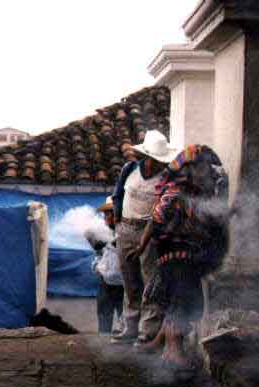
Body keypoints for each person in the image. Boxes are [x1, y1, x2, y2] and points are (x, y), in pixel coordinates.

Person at [127, 145, 229, 367]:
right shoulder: (174, 193)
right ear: (188, 170)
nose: (207, 172)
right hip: (175, 258)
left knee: (177, 300)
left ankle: (159, 341)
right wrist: (141, 247)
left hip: (188, 257)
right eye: (201, 167)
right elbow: (155, 222)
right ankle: (173, 352)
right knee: (181, 303)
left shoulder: (199, 192)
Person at [111, 130, 179, 345]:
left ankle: (147, 329)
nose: (160, 164)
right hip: (126, 228)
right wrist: (117, 221)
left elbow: (161, 211)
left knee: (150, 280)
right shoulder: (129, 170)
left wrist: (147, 239)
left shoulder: (167, 178)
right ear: (147, 158)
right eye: (156, 160)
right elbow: (117, 195)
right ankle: (130, 326)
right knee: (129, 279)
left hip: (150, 231)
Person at [91, 196, 124, 336]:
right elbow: (98, 256)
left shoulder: (126, 232)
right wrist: (96, 267)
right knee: (104, 320)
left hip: (125, 285)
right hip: (105, 283)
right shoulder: (102, 234)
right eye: (105, 213)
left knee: (127, 321)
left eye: (110, 212)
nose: (107, 216)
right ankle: (103, 347)